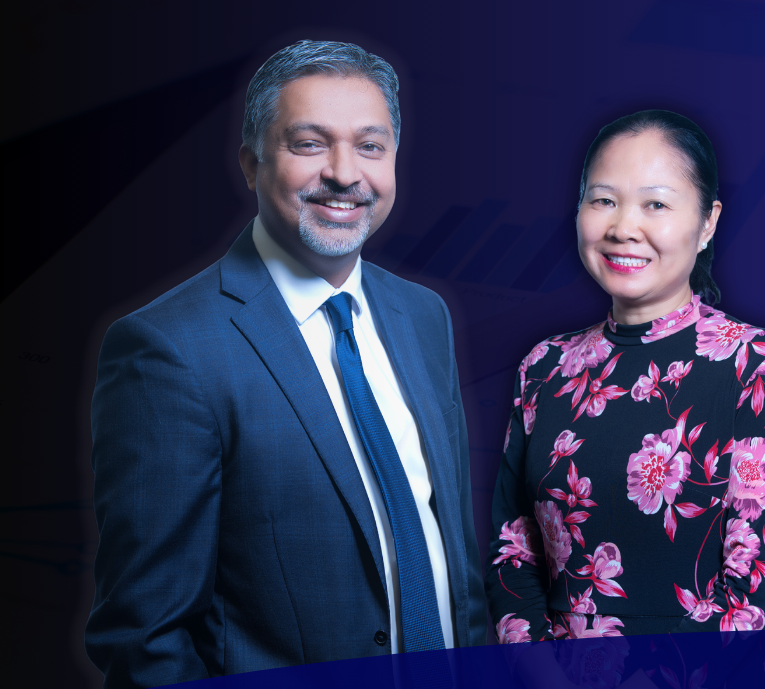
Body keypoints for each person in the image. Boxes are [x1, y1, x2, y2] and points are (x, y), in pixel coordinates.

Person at [86, 40, 486, 687]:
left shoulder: (423, 315)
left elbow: (451, 561)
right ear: (251, 163)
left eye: (370, 145)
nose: (343, 172)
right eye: (308, 143)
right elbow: (144, 635)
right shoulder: (168, 349)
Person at [484, 109, 765, 684]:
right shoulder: (545, 367)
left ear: (707, 222)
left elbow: (755, 583)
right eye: (603, 200)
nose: (622, 227)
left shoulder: (756, 365)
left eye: (656, 204)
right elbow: (514, 547)